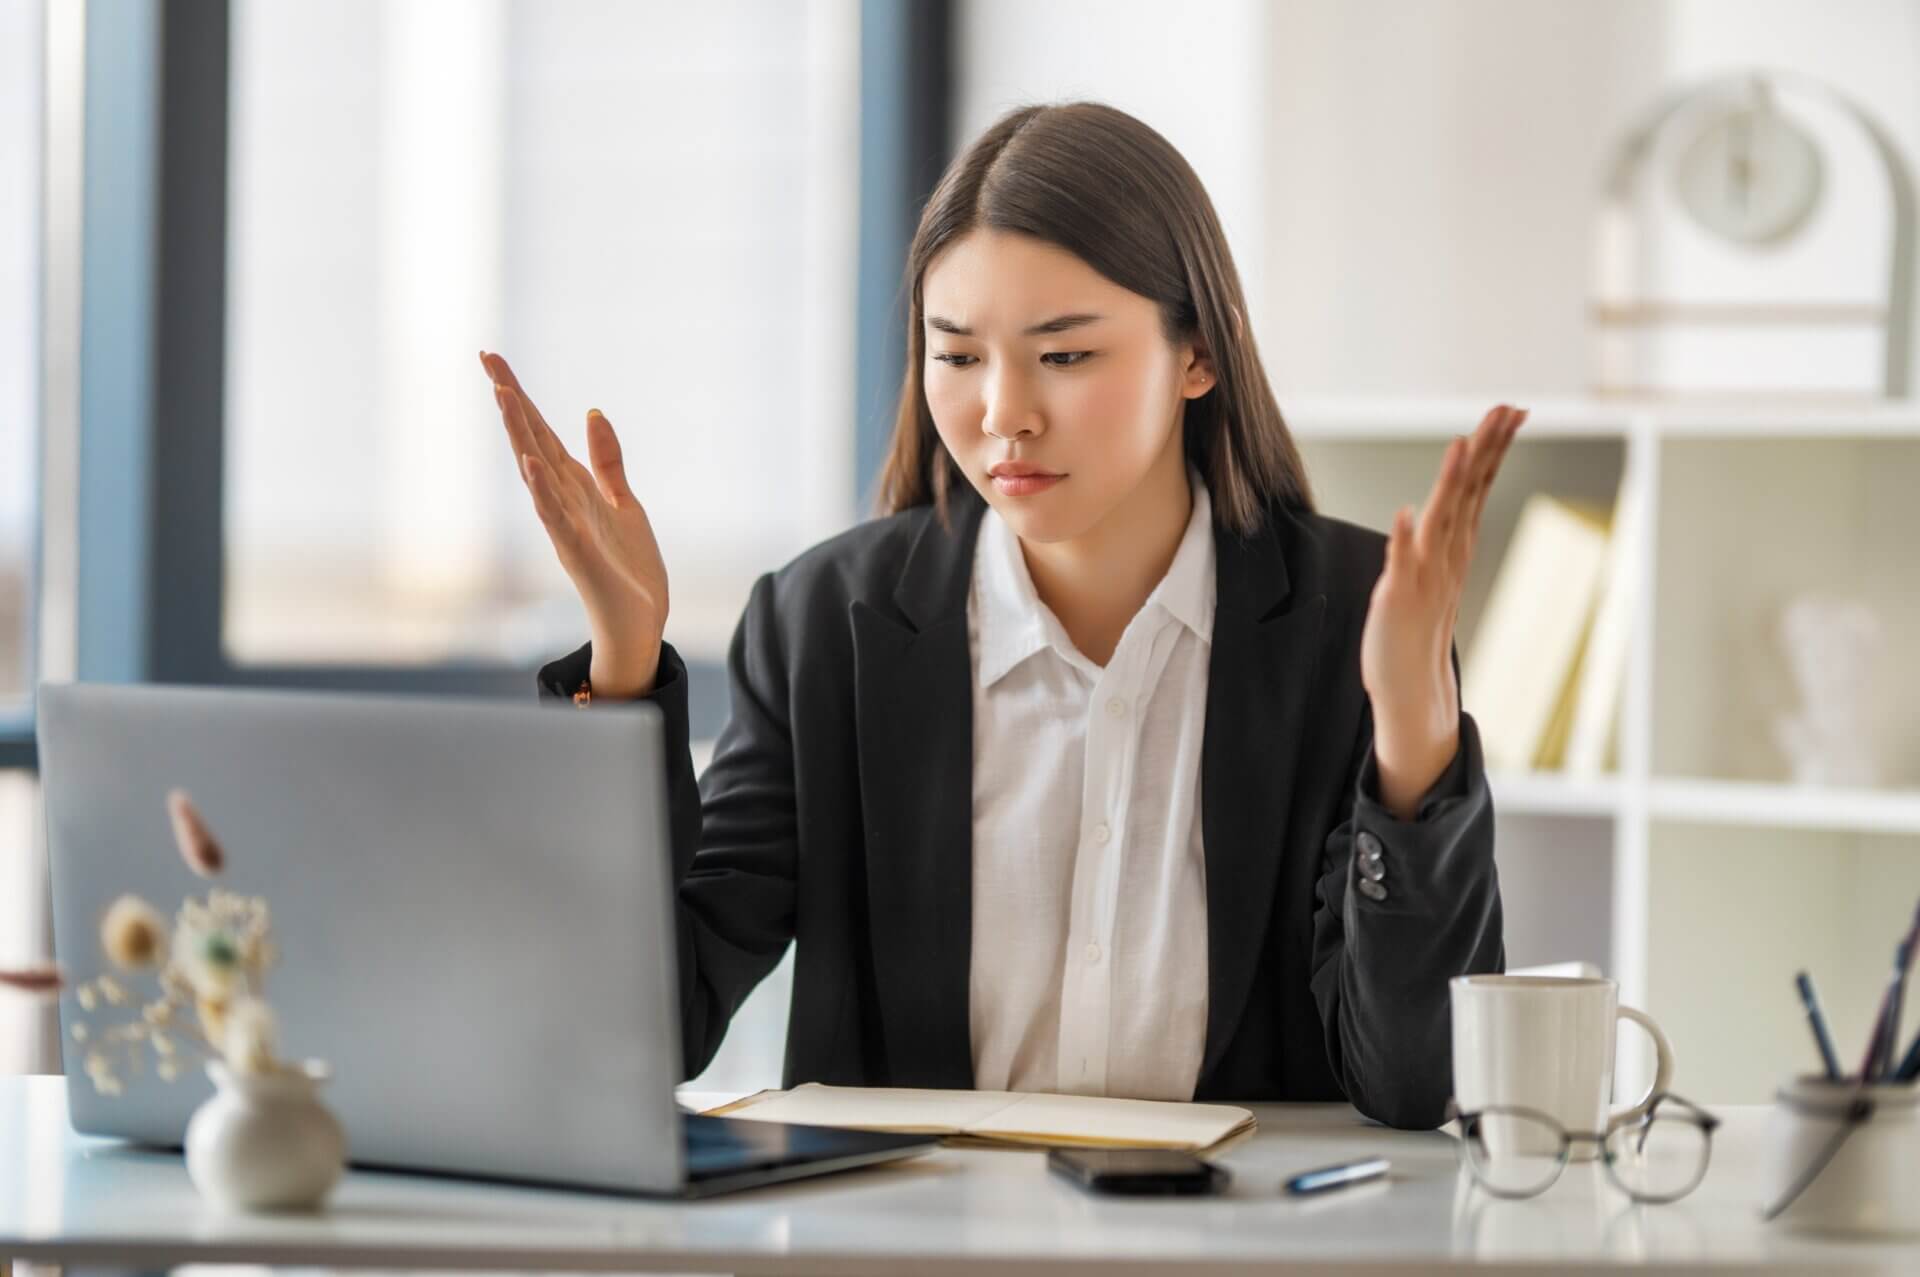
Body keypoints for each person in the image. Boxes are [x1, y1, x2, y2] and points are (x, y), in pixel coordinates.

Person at [479, 101, 1521, 1130]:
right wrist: (621, 665)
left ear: (1198, 355)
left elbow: (1415, 1080)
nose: (1002, 412)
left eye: (1064, 356)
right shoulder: (823, 626)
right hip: (917, 1245)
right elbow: (634, 1033)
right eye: (959, 355)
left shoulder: (1352, 616)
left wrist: (1413, 736)